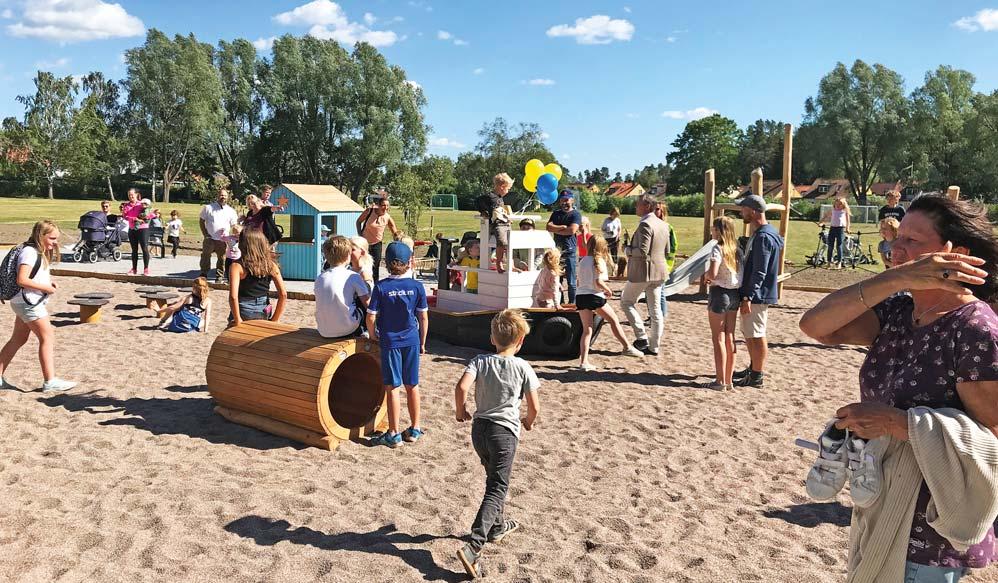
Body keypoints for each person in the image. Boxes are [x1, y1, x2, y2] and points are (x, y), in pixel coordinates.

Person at [798, 194, 998, 582]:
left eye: (913, 242)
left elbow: (993, 434)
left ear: (954, 253)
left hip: (934, 522)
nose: (896, 248)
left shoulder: (974, 328)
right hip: (879, 499)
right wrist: (894, 278)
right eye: (896, 238)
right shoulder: (897, 311)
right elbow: (815, 325)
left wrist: (898, 423)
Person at [454, 309, 540, 579]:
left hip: (479, 430)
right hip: (504, 432)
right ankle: (474, 546)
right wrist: (528, 420)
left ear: (493, 338)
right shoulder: (523, 366)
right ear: (521, 341)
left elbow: (461, 387)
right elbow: (534, 406)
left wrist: (461, 410)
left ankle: (497, 527)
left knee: (493, 478)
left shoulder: (480, 361)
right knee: (497, 487)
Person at [0, 220, 76, 392]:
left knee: (18, 339)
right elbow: (22, 279)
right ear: (41, 236)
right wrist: (46, 288)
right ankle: (50, 381)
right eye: (52, 238)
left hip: (22, 302)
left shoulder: (33, 250)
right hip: (29, 303)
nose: (55, 242)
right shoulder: (29, 252)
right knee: (47, 337)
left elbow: (33, 275)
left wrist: (49, 282)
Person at [366, 241, 428, 448]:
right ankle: (415, 428)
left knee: (392, 387)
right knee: (412, 385)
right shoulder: (417, 287)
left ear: (385, 262)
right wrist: (422, 342)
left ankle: (393, 433)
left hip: (390, 341)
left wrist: (373, 335)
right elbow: (423, 318)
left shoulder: (381, 287)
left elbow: (371, 317)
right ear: (410, 262)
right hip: (411, 339)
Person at [733, 194, 785, 388]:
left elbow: (759, 271)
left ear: (753, 211)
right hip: (758, 293)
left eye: (744, 209)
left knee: (756, 334)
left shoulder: (763, 236)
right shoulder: (766, 231)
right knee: (750, 332)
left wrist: (748, 295)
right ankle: (753, 367)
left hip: (757, 294)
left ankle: (756, 375)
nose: (741, 212)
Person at [577, 234, 644, 371]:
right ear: (602, 248)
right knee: (613, 320)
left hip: (581, 297)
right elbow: (598, 281)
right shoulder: (599, 261)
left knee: (587, 330)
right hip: (594, 296)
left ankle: (583, 362)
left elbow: (580, 281)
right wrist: (608, 290)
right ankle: (626, 347)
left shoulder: (583, 260)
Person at [621, 194, 670, 356]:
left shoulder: (645, 224)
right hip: (660, 271)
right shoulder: (664, 224)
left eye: (638, 204)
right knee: (655, 310)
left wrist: (627, 250)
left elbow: (641, 251)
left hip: (643, 272)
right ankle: (654, 346)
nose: (636, 207)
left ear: (647, 206)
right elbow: (667, 250)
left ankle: (641, 336)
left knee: (626, 302)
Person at [704, 216, 742, 391]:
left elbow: (712, 273)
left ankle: (720, 380)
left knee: (718, 337)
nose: (712, 230)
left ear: (719, 230)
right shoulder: (737, 249)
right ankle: (729, 379)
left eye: (714, 228)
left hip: (720, 293)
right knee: (730, 336)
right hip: (735, 293)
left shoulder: (717, 249)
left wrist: (706, 276)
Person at [227, 229, 287, 326]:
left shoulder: (237, 266)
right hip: (264, 309)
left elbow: (233, 297)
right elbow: (283, 294)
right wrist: (275, 319)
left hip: (243, 309)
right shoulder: (270, 265)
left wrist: (238, 320)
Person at [315, 236, 370, 338]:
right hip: (347, 329)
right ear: (348, 256)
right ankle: (365, 330)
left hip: (323, 330)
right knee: (365, 289)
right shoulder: (353, 276)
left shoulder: (320, 278)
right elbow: (367, 304)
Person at [545, 191, 582, 303]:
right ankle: (559, 302)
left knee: (571, 281)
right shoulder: (556, 213)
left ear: (572, 200)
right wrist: (562, 227)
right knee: (557, 279)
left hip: (570, 250)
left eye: (566, 200)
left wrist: (557, 229)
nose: (564, 202)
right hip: (557, 252)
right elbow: (548, 227)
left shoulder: (575, 214)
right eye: (562, 200)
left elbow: (572, 230)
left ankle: (572, 303)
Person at [356, 196, 402, 284]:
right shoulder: (369, 211)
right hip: (365, 244)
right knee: (363, 265)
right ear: (378, 205)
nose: (386, 208)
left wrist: (398, 242)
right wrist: (360, 235)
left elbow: (395, 232)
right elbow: (358, 222)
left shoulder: (387, 217)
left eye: (387, 206)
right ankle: (361, 284)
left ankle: (375, 285)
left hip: (377, 244)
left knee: (376, 266)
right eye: (383, 205)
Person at [200, 188, 239, 283]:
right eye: (221, 195)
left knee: (222, 258)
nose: (223, 197)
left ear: (228, 197)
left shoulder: (231, 211)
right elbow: (201, 221)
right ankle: (204, 274)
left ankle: (219, 276)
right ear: (217, 196)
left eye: (225, 196)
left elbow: (234, 225)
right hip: (210, 238)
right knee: (205, 256)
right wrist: (205, 234)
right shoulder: (208, 208)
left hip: (223, 240)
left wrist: (233, 236)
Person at [478, 173, 513, 273]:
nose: (508, 191)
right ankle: (499, 262)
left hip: (505, 223)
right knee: (501, 242)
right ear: (502, 187)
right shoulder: (490, 196)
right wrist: (483, 211)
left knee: (510, 242)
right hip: (497, 224)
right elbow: (478, 201)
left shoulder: (500, 198)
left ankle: (511, 264)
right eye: (508, 188)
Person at [654, 201, 679, 320]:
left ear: (662, 212)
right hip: (652, 263)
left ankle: (661, 315)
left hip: (663, 264)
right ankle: (653, 315)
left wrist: (668, 264)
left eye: (657, 209)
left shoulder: (668, 227)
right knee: (652, 292)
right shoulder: (649, 224)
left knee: (660, 292)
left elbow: (672, 247)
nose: (655, 211)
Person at [122, 189, 152, 276]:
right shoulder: (126, 205)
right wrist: (134, 218)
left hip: (143, 228)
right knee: (134, 249)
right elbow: (125, 216)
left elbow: (150, 212)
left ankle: (146, 268)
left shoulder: (141, 203)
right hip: (132, 228)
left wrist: (146, 218)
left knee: (144, 248)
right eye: (129, 195)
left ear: (136, 195)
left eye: (132, 195)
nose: (130, 197)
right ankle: (134, 268)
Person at [822, 197, 851, 269]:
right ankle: (829, 262)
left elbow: (848, 221)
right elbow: (826, 215)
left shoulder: (844, 211)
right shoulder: (833, 210)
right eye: (837, 203)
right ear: (834, 203)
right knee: (830, 246)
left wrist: (847, 228)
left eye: (840, 204)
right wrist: (821, 222)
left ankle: (839, 262)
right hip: (832, 228)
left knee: (839, 246)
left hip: (840, 229)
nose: (838, 205)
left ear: (843, 205)